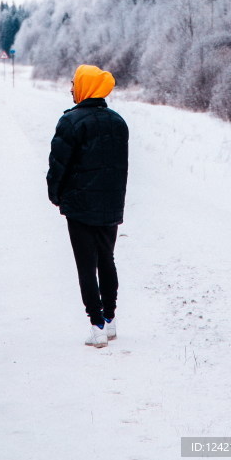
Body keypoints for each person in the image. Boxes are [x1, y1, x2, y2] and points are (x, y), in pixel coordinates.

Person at [47, 64, 129, 348]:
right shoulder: (118, 122)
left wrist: (55, 193)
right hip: (110, 205)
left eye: (74, 83)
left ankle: (96, 327)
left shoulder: (71, 122)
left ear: (86, 87)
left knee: (86, 266)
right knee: (107, 261)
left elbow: (59, 165)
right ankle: (110, 320)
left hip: (80, 206)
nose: (71, 87)